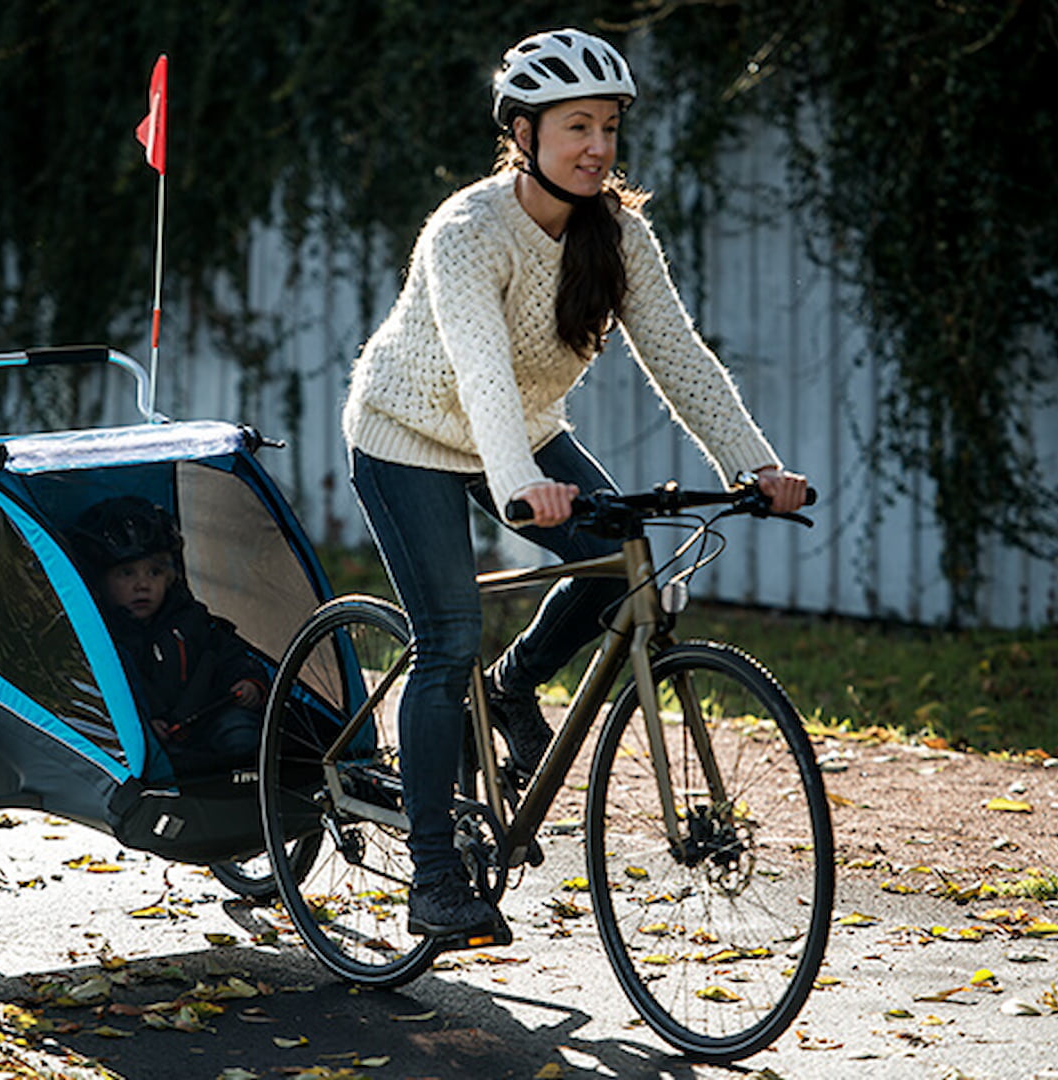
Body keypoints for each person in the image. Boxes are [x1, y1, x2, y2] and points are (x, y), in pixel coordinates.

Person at [341, 27, 809, 938]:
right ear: (523, 132)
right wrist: (519, 486)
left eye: (609, 128)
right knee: (447, 639)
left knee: (615, 572)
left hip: (525, 433)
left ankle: (515, 690)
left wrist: (754, 466)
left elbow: (681, 359)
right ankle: (434, 879)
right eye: (575, 127)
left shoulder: (618, 235)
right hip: (409, 435)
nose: (597, 147)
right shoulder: (467, 233)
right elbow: (478, 372)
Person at [73, 496, 266, 779]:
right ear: (100, 581)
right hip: (147, 743)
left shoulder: (191, 619)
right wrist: (141, 724)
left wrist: (248, 682)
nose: (143, 585)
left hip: (206, 725)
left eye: (155, 572)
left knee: (240, 728)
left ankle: (252, 790)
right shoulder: (102, 638)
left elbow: (229, 654)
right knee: (144, 751)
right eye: (127, 573)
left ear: (170, 577)